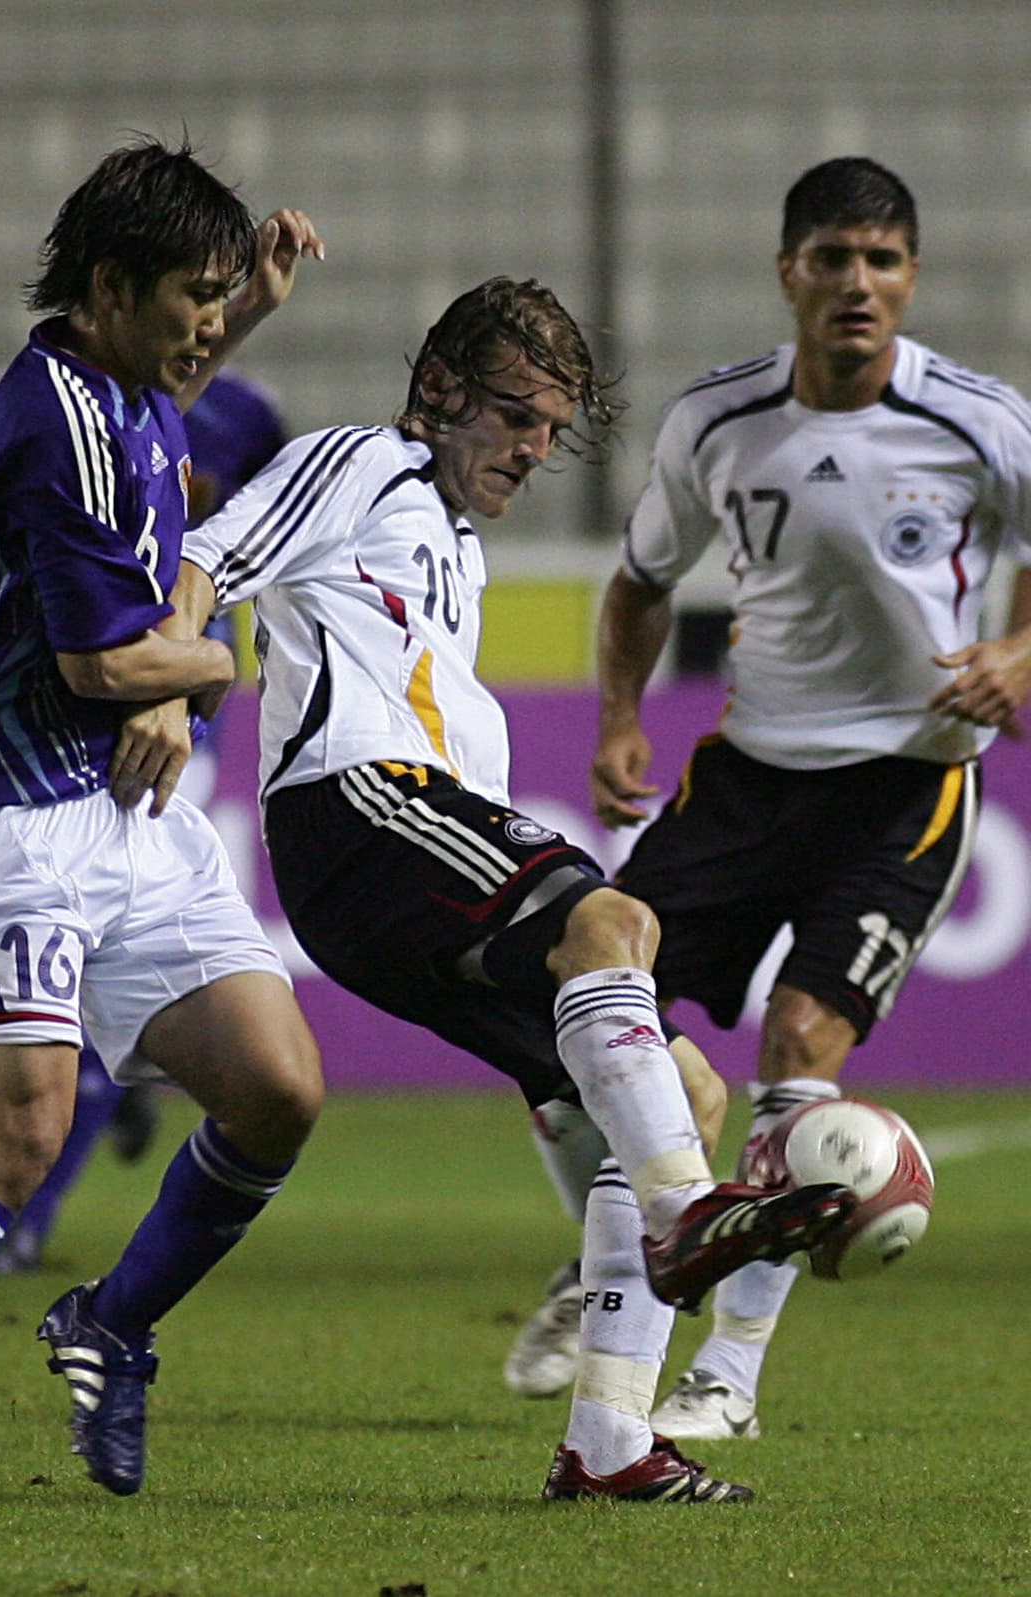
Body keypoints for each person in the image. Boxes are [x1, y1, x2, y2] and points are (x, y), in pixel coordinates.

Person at [115, 275, 857, 1505]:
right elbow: (206, 558)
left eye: (553, 430)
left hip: (407, 841)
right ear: (439, 391)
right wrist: (161, 685)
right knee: (612, 922)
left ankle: (607, 1441)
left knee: (680, 1088)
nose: (533, 449)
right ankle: (684, 1220)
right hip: (359, 809)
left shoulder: (452, 545)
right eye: (515, 416)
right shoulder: (361, 462)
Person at [0, 134, 325, 1511]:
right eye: (194, 295)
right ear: (111, 285)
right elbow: (105, 670)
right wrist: (216, 665)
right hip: (18, 820)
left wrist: (254, 299)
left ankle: (108, 1323)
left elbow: (176, 411)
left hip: (134, 823)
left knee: (277, 1085)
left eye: (223, 295)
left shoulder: (125, 375)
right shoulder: (65, 426)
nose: (209, 326)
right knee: (15, 1140)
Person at [511, 156, 1031, 1437]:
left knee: (798, 1052)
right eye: (833, 257)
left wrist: (1016, 654)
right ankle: (606, 1256)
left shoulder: (979, 421)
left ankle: (723, 1381)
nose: (857, 283)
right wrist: (622, 719)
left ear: (908, 278)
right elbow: (637, 583)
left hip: (904, 784)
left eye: (881, 260)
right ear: (787, 270)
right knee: (575, 1026)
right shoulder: (715, 422)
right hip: (743, 777)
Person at [0, 366, 290, 1276]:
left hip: (180, 698)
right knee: (72, 974)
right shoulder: (25, 406)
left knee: (110, 927)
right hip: (56, 706)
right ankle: (98, 1105)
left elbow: (271, 528)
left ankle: (30, 1209)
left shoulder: (244, 407)